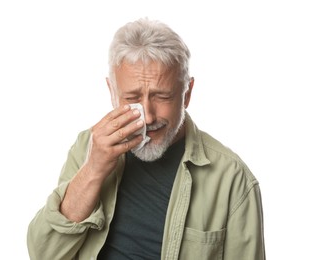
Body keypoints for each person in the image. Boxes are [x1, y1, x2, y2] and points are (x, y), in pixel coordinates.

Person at [27, 18, 266, 260]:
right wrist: (93, 170)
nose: (148, 116)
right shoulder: (88, 147)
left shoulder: (232, 178)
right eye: (132, 97)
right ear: (112, 92)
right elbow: (43, 253)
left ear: (187, 94)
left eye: (162, 96)